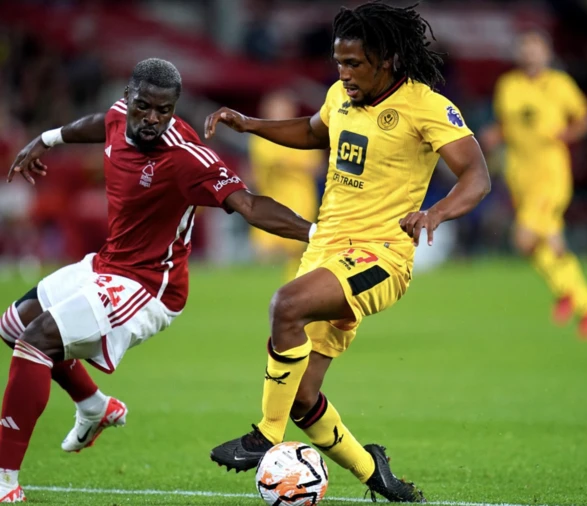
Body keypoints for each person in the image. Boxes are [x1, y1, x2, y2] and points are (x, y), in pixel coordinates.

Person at [205, 2, 491, 502]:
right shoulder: (341, 95)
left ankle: (265, 437)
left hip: (380, 257)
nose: (344, 73)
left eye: (354, 63)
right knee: (303, 397)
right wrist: (250, 124)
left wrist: (436, 213)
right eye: (339, 63)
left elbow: (477, 175)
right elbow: (315, 132)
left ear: (388, 59)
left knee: (285, 305)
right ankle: (376, 475)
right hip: (325, 249)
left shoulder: (426, 105)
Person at [0, 58, 313, 503]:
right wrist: (46, 139)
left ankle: (4, 482)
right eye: (143, 107)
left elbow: (249, 205)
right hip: (108, 264)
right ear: (128, 98)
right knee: (11, 326)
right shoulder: (116, 118)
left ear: (173, 108)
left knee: (35, 340)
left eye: (163, 111)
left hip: (149, 287)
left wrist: (318, 232)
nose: (152, 119)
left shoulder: (187, 156)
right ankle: (94, 405)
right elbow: (99, 125)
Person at [480, 29, 587, 339]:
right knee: (551, 245)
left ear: (546, 53)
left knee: (523, 238)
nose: (529, 54)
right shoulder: (508, 86)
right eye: (525, 48)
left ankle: (573, 296)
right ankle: (582, 303)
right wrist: (497, 134)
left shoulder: (560, 85)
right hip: (520, 175)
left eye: (535, 48)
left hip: (550, 175)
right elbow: (510, 124)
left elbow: (584, 119)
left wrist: (567, 135)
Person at [248, 90, 324, 280]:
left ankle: (291, 284)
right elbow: (259, 166)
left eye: (282, 109)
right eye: (274, 109)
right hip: (269, 198)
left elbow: (315, 165)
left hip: (299, 197)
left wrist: (287, 164)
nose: (278, 113)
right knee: (264, 251)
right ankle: (263, 289)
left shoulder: (302, 134)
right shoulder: (261, 137)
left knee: (294, 249)